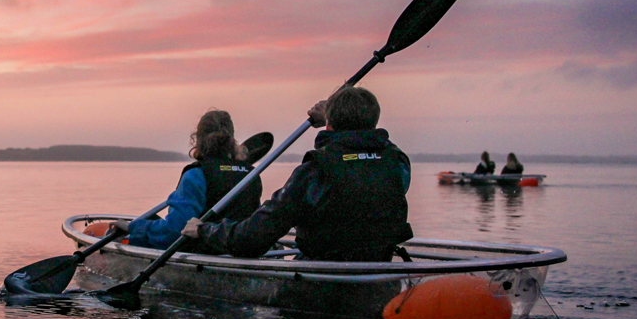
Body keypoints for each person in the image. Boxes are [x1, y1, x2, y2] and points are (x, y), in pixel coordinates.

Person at [183, 85, 412, 262]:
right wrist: (334, 118)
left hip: (320, 283)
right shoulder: (397, 165)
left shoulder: (314, 171)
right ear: (374, 121)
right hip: (379, 271)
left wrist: (205, 230)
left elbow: (252, 239)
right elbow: (378, 148)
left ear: (329, 124)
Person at [111, 110, 263, 250]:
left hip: (203, 252)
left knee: (140, 224)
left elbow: (174, 231)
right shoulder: (251, 175)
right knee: (150, 219)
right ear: (232, 139)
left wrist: (134, 227)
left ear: (197, 139)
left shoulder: (197, 174)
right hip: (238, 250)